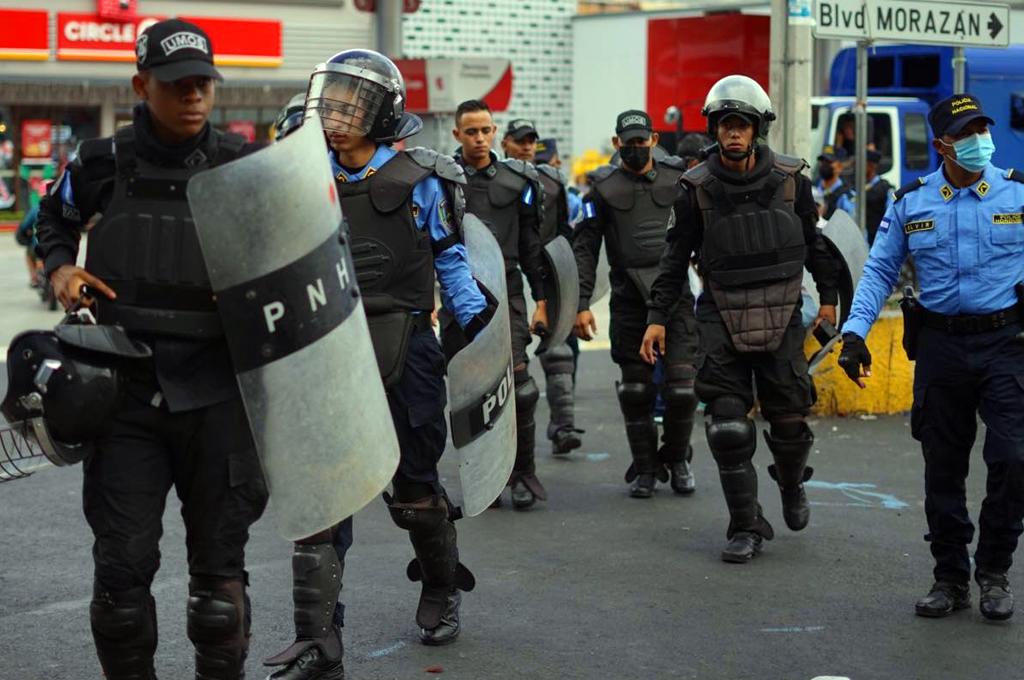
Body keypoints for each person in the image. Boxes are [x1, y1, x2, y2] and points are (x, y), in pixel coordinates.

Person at [33, 19, 268, 679]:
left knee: (219, 592)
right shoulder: (100, 162)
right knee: (120, 583)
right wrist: (60, 268)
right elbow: (52, 219)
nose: (194, 96)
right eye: (176, 85)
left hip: (220, 397)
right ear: (141, 84)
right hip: (125, 395)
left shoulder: (245, 166)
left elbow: (295, 261)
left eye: (203, 84)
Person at [263, 51, 493, 680]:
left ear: (383, 112)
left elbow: (451, 262)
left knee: (415, 492)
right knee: (322, 498)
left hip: (410, 346)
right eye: (329, 102)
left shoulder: (426, 176)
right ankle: (318, 638)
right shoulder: (302, 169)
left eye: (350, 104)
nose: (334, 117)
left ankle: (442, 589)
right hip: (327, 347)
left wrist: (477, 333)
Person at [838, 94, 1024, 621]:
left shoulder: (1016, 192)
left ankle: (993, 570)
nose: (978, 141)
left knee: (1013, 459)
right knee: (943, 467)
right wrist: (855, 334)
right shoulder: (912, 202)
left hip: (1006, 343)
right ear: (942, 144)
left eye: (982, 129)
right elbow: (878, 272)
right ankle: (950, 577)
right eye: (966, 133)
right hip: (941, 347)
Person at [642, 76, 841, 563]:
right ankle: (745, 524)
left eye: (742, 125)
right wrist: (656, 317)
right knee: (727, 426)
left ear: (757, 130)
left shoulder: (793, 179)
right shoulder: (694, 188)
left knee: (790, 420)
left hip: (783, 306)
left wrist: (831, 299)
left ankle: (791, 482)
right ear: (714, 129)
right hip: (720, 310)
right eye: (726, 125)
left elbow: (816, 244)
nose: (733, 134)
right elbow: (673, 259)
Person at [573, 109, 698, 499]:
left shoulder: (680, 182)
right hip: (629, 301)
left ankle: (677, 459)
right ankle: (645, 467)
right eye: (626, 142)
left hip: (675, 296)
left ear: (654, 140)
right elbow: (585, 249)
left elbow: (704, 232)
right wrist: (580, 303)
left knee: (682, 390)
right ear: (616, 143)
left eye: (641, 141)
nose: (634, 148)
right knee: (636, 390)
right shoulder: (602, 190)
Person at [452, 101, 549, 509]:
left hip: (507, 292)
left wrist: (542, 300)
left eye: (485, 130)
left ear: (495, 132)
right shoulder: (442, 180)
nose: (479, 139)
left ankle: (523, 473)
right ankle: (485, 475)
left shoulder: (518, 181)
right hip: (460, 292)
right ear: (457, 134)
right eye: (471, 132)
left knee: (521, 388)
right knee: (472, 390)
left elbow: (531, 247)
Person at [501, 122, 583, 455]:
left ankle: (563, 426)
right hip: (507, 275)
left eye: (531, 141)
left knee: (560, 353)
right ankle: (507, 444)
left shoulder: (553, 182)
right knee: (508, 365)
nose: (527, 147)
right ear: (506, 143)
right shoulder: (497, 180)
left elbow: (566, 234)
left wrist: (577, 294)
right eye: (520, 141)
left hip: (549, 275)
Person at [860, 149, 894, 244]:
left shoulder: (885, 189)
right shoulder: (856, 187)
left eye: (862, 164)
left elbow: (891, 218)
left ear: (871, 166)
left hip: (877, 242)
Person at [816, 145, 853, 219]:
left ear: (839, 167)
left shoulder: (844, 196)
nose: (824, 165)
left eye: (829, 162)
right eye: (822, 161)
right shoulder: (814, 189)